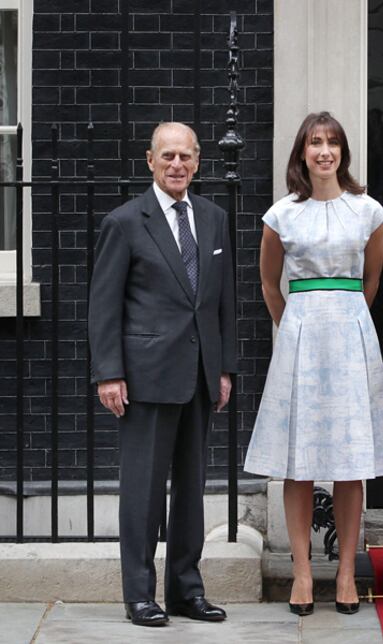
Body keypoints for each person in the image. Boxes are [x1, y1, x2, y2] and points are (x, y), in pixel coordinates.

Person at [243, 111, 383, 616]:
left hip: (351, 335)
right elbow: (269, 282)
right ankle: (303, 573)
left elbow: (371, 279)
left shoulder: (367, 211)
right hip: (301, 337)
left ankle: (347, 571)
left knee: (351, 461)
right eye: (315, 142)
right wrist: (295, 325)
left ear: (343, 153)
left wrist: (347, 317)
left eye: (332, 142)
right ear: (302, 152)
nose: (324, 151)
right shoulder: (282, 214)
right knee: (299, 461)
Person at [88, 122, 236, 627]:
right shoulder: (125, 222)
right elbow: (103, 305)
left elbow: (223, 301)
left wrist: (224, 368)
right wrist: (109, 373)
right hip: (145, 376)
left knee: (192, 490)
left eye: (186, 156)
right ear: (150, 161)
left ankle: (186, 591)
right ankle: (139, 595)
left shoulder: (213, 218)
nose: (177, 165)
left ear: (198, 162)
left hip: (199, 375)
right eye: (168, 155)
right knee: (144, 491)